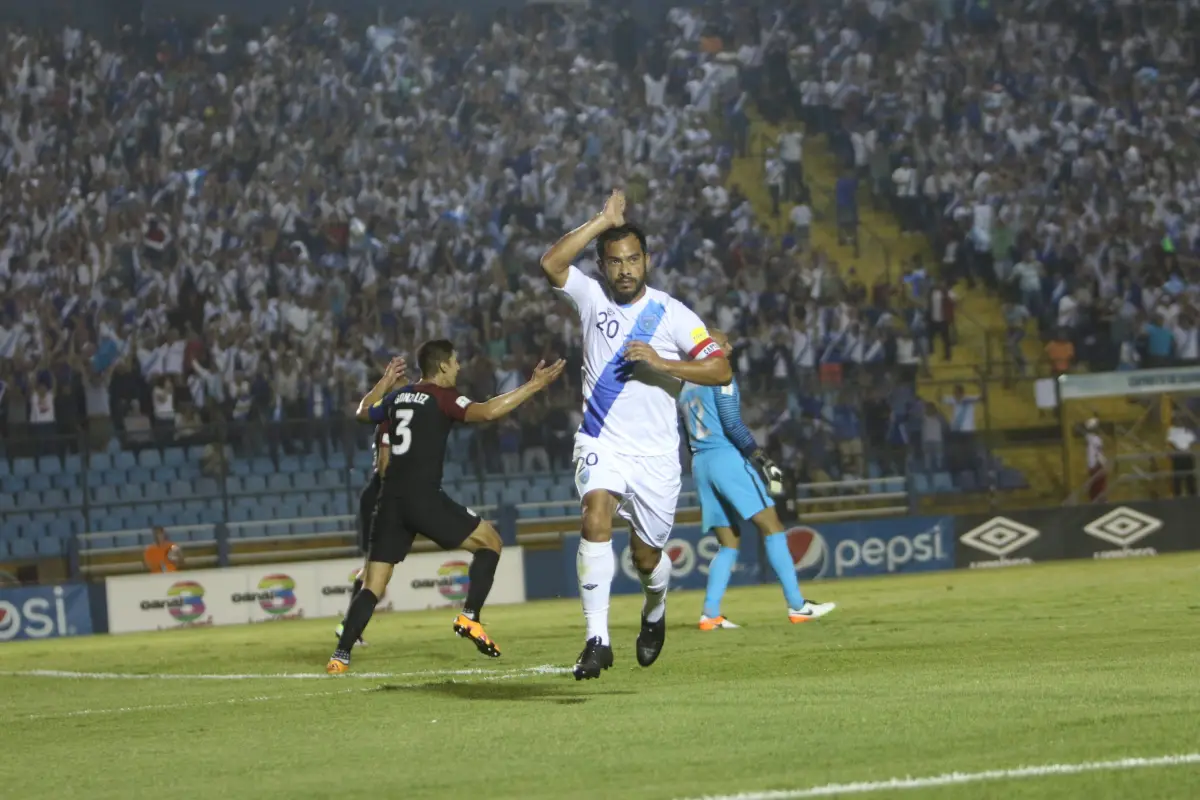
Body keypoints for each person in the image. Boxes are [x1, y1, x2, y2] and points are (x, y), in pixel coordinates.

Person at [539, 189, 733, 681]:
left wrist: (662, 362)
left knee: (646, 557)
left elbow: (721, 368)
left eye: (632, 260)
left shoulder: (674, 314)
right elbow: (552, 262)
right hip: (601, 441)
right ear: (602, 265)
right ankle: (597, 639)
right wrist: (601, 221)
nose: (624, 270)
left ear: (647, 260)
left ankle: (654, 607)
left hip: (657, 458)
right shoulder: (591, 297)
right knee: (595, 512)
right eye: (614, 261)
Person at [326, 342, 564, 674]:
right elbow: (489, 411)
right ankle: (470, 617)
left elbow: (362, 412)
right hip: (423, 497)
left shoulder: (399, 397)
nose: (458, 368)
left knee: (372, 586)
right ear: (441, 367)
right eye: (454, 363)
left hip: (389, 500)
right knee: (491, 542)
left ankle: (340, 656)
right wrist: (533, 386)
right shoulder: (443, 397)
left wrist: (383, 381)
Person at [679, 329, 837, 630]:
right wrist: (761, 459)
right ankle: (797, 606)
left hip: (701, 463)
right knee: (772, 525)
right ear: (711, 347)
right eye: (724, 343)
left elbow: (685, 432)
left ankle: (710, 614)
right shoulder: (720, 375)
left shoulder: (686, 385)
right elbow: (732, 424)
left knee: (728, 542)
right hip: (726, 458)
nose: (730, 346)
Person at [334, 357, 407, 650]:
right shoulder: (388, 420)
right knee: (373, 571)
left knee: (374, 571)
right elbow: (386, 466)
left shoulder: (396, 419)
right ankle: (348, 627)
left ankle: (349, 626)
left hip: (384, 496)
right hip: (380, 496)